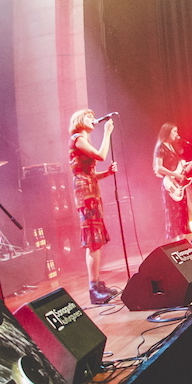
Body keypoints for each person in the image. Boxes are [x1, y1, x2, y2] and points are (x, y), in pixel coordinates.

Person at [69, 109, 119, 303]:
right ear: (80, 121)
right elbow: (100, 155)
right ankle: (92, 288)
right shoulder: (77, 139)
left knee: (96, 240)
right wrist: (107, 133)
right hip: (86, 194)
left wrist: (106, 174)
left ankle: (97, 283)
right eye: (88, 116)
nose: (93, 119)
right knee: (92, 239)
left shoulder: (83, 141)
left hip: (92, 190)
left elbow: (90, 172)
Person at [153, 122, 190, 239]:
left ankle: (183, 242)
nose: (177, 134)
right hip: (169, 184)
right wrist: (175, 174)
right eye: (174, 131)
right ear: (167, 133)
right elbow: (159, 167)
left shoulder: (172, 147)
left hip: (177, 183)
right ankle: (177, 244)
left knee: (182, 213)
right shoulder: (161, 147)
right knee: (173, 214)